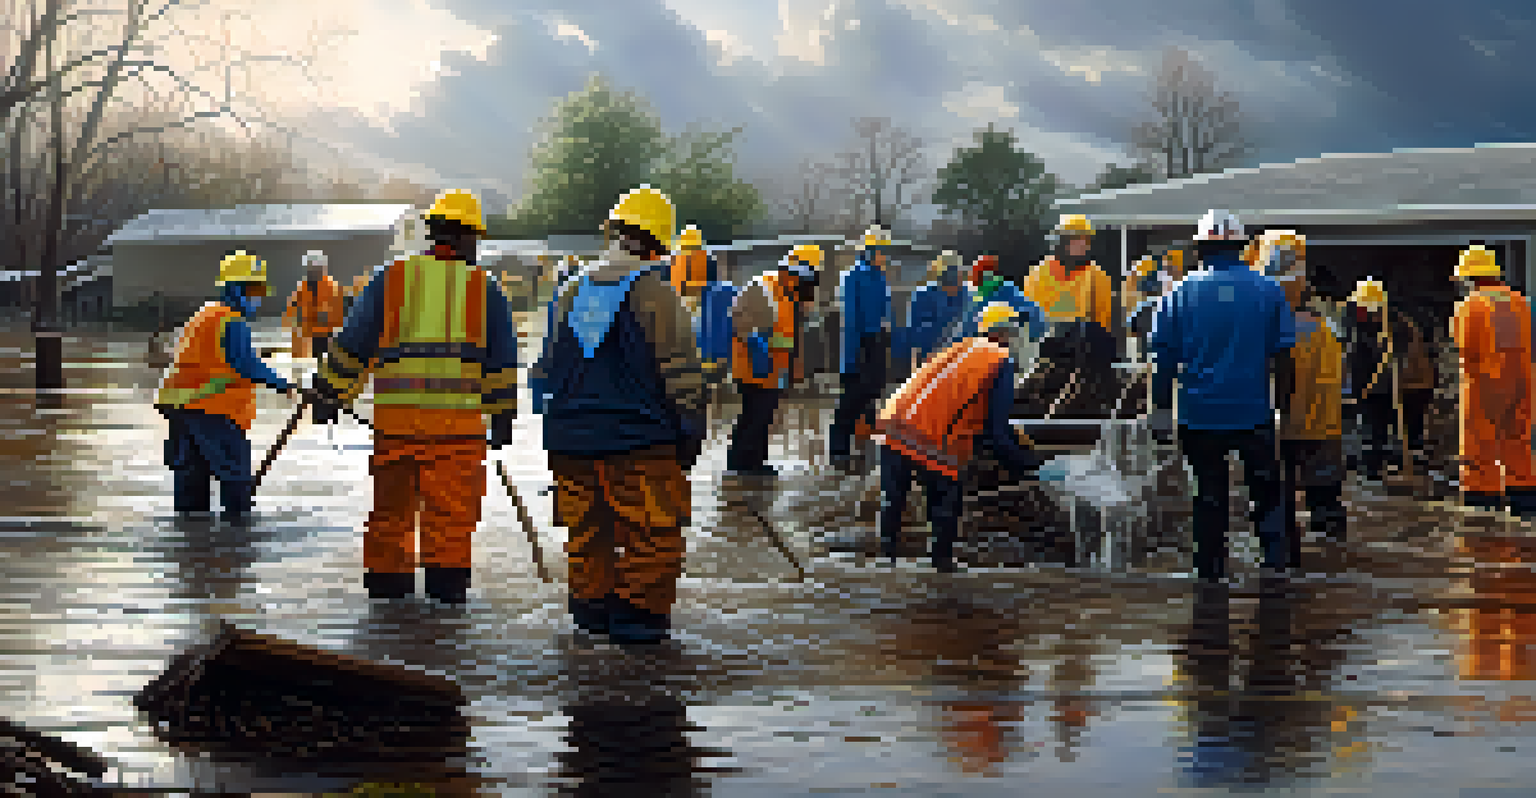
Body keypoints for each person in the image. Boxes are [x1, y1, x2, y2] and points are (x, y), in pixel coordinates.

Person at [309, 190, 520, 605]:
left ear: (432, 230)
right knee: (451, 519)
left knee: (391, 515)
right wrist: (503, 418)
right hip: (458, 433)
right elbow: (501, 363)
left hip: (396, 427)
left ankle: (388, 606)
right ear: (468, 237)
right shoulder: (485, 287)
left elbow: (353, 345)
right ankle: (445, 609)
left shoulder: (391, 278)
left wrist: (328, 394)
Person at [529, 186, 708, 644]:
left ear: (614, 233)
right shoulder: (658, 294)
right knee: (654, 533)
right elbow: (681, 372)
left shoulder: (570, 290)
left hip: (570, 441)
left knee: (588, 533)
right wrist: (690, 430)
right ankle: (637, 621)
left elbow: (546, 368)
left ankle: (591, 615)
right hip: (639, 441)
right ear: (655, 243)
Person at [1148, 210, 1296, 582]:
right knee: (1267, 496)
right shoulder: (1268, 289)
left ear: (1200, 247)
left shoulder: (1178, 293)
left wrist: (1161, 411)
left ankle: (1210, 579)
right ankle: (1276, 574)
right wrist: (1285, 410)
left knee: (1208, 499)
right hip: (1254, 413)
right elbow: (1285, 358)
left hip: (1199, 416)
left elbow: (1162, 361)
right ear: (1241, 247)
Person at [875, 302, 1045, 572]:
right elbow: (996, 430)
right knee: (946, 500)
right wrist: (1029, 466)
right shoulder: (1000, 360)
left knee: (893, 499)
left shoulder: (960, 348)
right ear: (1006, 332)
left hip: (893, 423)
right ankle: (941, 564)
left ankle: (885, 558)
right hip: (934, 436)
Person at [155, 251, 296, 523]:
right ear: (234, 288)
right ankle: (237, 543)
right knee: (235, 481)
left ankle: (192, 551)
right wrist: (284, 384)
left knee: (190, 484)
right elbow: (245, 364)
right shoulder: (231, 320)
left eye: (261, 289)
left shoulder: (205, 315)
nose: (258, 296)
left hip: (181, 408)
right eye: (253, 289)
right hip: (213, 410)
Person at [1261, 232, 1347, 551]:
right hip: (1324, 422)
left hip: (1286, 423)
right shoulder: (1321, 324)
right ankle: (1333, 554)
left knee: (1280, 499)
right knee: (1325, 500)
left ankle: (1286, 558)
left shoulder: (1274, 325)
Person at [1450, 245, 1536, 515]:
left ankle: (1482, 499)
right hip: (1522, 381)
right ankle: (1523, 495)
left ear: (1470, 277)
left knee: (1479, 442)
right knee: (1517, 439)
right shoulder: (1521, 302)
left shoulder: (1470, 306)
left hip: (1484, 384)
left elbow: (1464, 347)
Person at [725, 246, 819, 477]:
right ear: (791, 271)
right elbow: (738, 319)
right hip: (754, 365)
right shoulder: (763, 287)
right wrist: (758, 342)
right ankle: (741, 463)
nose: (803, 284)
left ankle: (755, 461)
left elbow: (794, 332)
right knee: (753, 416)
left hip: (775, 367)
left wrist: (794, 365)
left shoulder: (793, 294)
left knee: (764, 416)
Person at [1344, 277, 1437, 481]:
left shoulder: (1391, 328)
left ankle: (1380, 469)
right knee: (1391, 431)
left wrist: (1362, 391)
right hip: (1404, 387)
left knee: (1377, 429)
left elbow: (1376, 362)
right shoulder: (1390, 323)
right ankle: (1391, 467)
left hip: (1401, 387)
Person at [828, 225, 893, 468]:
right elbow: (852, 320)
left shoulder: (880, 277)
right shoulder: (853, 277)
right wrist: (852, 355)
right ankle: (838, 447)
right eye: (881, 251)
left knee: (872, 392)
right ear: (869, 251)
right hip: (859, 342)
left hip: (876, 341)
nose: (884, 256)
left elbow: (885, 310)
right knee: (852, 396)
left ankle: (864, 440)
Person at [1023, 214, 1115, 334]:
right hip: (1046, 343)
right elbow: (1030, 315)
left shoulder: (1097, 276)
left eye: (1086, 240)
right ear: (1061, 241)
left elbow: (1104, 321)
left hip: (1083, 344)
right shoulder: (1037, 274)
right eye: (1076, 239)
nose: (1083, 245)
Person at [901, 250, 972, 375]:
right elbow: (913, 332)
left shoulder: (967, 295)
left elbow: (972, 327)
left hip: (960, 360)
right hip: (931, 359)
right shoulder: (923, 295)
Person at [281, 250, 344, 361]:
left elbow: (338, 310)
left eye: (317, 267)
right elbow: (292, 306)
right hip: (309, 332)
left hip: (326, 332)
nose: (314, 270)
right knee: (313, 360)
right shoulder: (303, 286)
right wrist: (290, 326)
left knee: (325, 360)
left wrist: (333, 325)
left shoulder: (332, 286)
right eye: (311, 267)